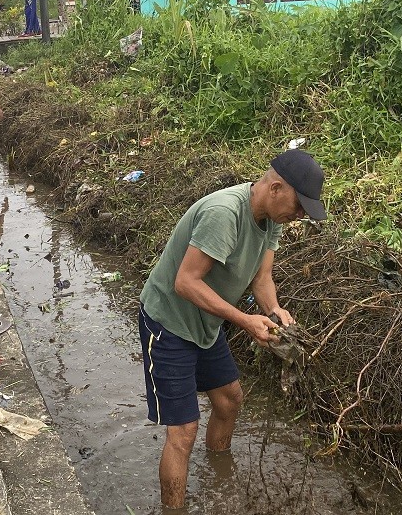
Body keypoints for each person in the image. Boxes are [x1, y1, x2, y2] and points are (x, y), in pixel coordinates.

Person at [137, 149, 326, 511]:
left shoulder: (271, 220)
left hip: (205, 323)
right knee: (183, 430)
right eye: (299, 206)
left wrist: (273, 310)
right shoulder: (224, 214)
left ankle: (216, 477)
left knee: (229, 399)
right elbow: (186, 283)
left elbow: (262, 276)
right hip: (169, 321)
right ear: (275, 188)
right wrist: (245, 320)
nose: (299, 216)